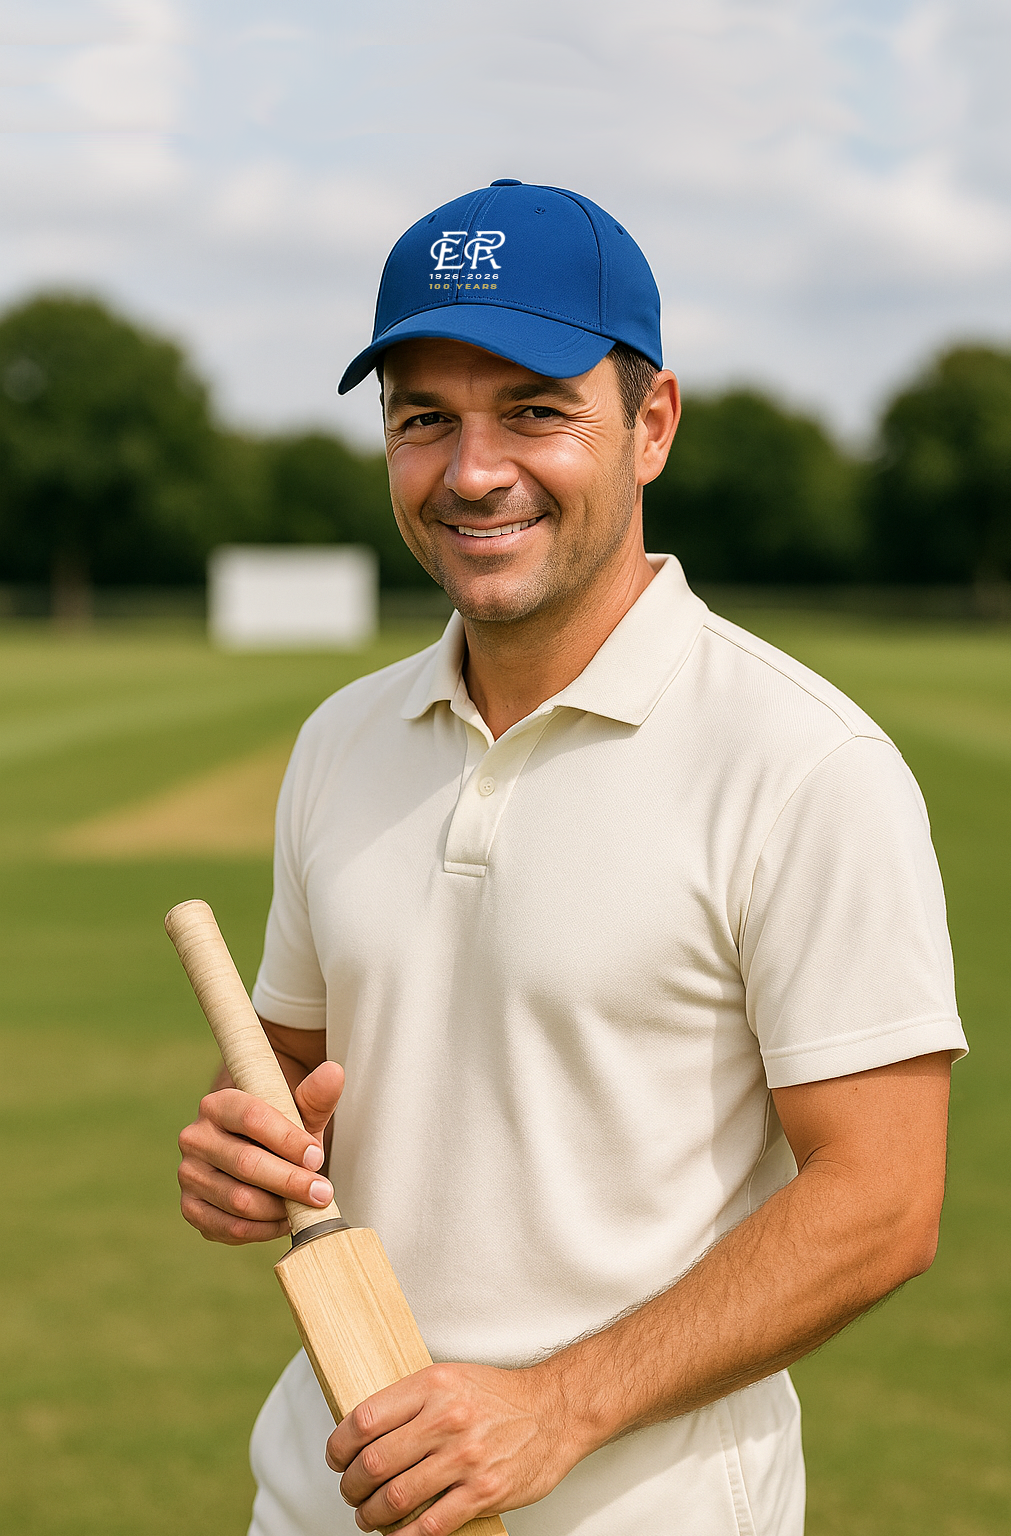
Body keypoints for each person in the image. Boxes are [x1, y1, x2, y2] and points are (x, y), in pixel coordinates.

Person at [177, 180, 967, 1536]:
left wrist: (558, 1406)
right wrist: (240, 1150)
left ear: (652, 423)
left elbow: (883, 1201)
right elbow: (295, 1074)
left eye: (535, 411)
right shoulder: (340, 741)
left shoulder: (805, 764)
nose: (473, 471)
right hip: (320, 1499)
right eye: (424, 419)